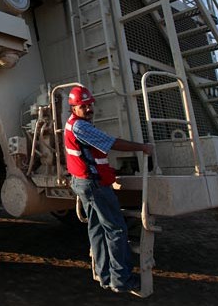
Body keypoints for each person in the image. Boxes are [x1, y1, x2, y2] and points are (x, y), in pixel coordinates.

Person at [64, 85, 154, 295]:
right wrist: (142, 147)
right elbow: (112, 143)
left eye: (89, 105)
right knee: (116, 230)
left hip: (85, 183)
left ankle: (105, 276)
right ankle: (122, 280)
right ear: (74, 107)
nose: (88, 109)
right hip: (95, 186)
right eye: (83, 106)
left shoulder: (72, 124)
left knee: (96, 229)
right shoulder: (81, 127)